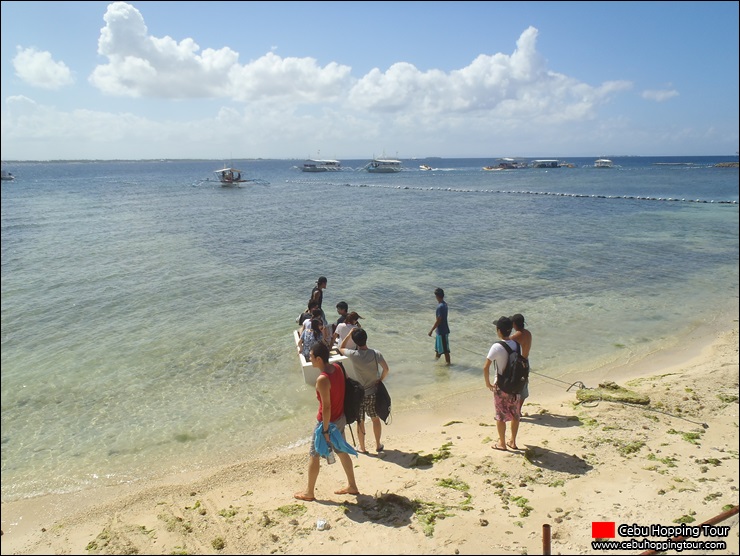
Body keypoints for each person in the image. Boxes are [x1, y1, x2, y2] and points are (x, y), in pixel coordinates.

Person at [294, 342, 359, 502]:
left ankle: (309, 492)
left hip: (327, 422)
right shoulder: (337, 368)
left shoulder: (322, 379)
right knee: (342, 451)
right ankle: (352, 485)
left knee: (314, 455)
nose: (309, 358)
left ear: (318, 359)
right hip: (340, 418)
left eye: (310, 356)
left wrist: (324, 430)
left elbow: (327, 407)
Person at [339, 328, 390, 454]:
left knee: (360, 421)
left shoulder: (353, 355)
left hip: (359, 395)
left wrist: (349, 334)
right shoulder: (375, 353)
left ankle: (362, 447)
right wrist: (380, 379)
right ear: (366, 338)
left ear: (356, 342)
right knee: (375, 419)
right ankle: (378, 445)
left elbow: (340, 348)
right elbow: (386, 369)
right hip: (373, 392)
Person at [483, 316, 521, 451]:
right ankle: (513, 442)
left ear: (499, 330)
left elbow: (486, 366)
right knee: (515, 414)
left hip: (501, 386)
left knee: (500, 415)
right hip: (516, 386)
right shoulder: (516, 344)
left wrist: (488, 384)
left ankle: (502, 443)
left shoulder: (496, 347)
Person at [509, 313, 532, 414]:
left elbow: (506, 346)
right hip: (526, 362)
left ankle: (514, 410)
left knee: (513, 388)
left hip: (518, 365)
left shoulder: (515, 337)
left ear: (514, 324)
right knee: (523, 387)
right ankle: (518, 410)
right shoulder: (528, 333)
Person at [428, 287, 451, 364]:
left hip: (442, 332)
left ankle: (448, 365)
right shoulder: (445, 304)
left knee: (445, 351)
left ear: (437, 296)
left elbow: (439, 320)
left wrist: (431, 330)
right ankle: (435, 362)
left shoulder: (440, 307)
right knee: (438, 349)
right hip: (440, 331)